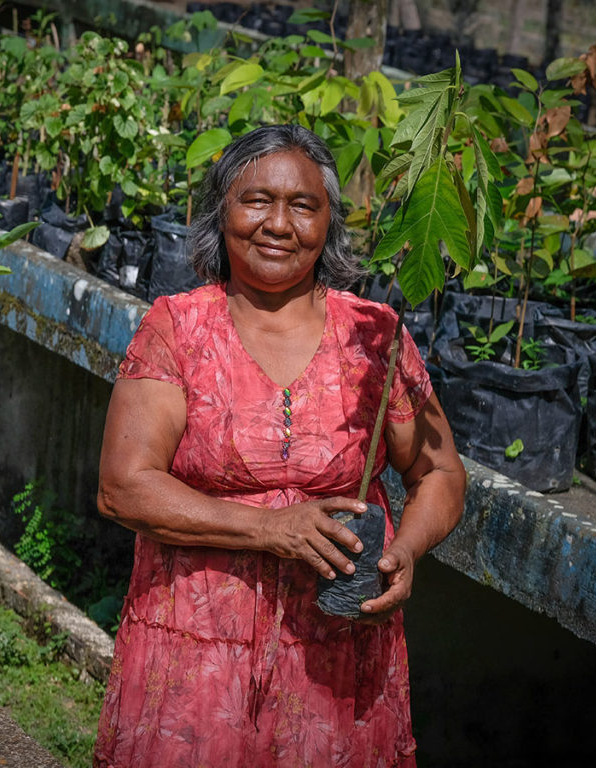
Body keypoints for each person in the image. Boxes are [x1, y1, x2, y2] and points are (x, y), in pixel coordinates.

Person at [92, 124, 466, 768]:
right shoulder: (178, 329)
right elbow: (123, 486)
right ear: (222, 212)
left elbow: (440, 471)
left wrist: (406, 548)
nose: (277, 223)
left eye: (302, 205)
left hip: (338, 651)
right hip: (197, 651)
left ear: (328, 225)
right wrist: (270, 529)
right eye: (256, 200)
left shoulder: (372, 335)